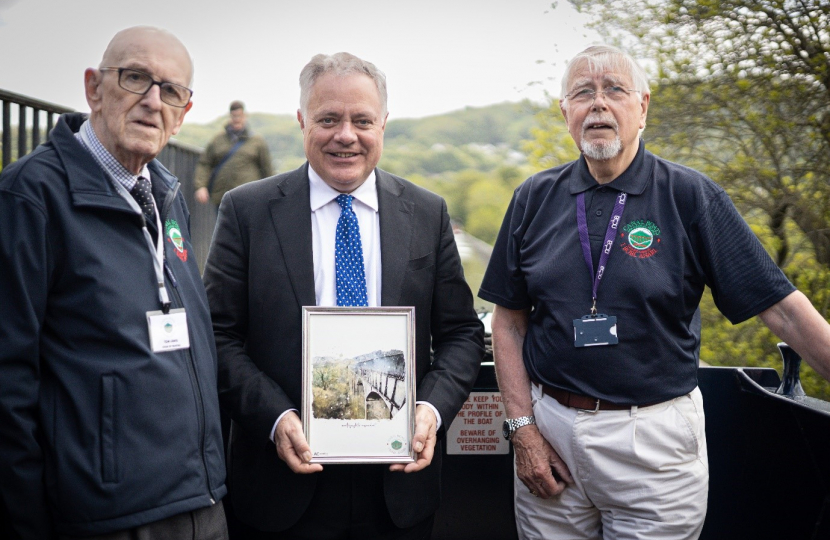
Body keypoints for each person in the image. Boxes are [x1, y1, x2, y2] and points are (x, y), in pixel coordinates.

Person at [479, 44, 830, 540]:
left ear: (642, 107)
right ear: (566, 114)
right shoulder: (534, 197)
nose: (598, 104)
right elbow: (509, 322)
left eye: (614, 90)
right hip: (550, 433)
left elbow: (783, 311)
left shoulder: (691, 195)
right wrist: (523, 432)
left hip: (653, 444)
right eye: (583, 93)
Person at [202, 52, 484, 539]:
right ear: (301, 121)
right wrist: (275, 416)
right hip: (281, 483)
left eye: (362, 120)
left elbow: (461, 333)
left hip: (399, 488)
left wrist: (429, 411)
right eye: (328, 119)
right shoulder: (246, 212)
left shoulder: (427, 212)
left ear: (384, 125)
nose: (345, 135)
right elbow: (218, 335)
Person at [0, 26, 227, 540]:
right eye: (135, 78)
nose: (152, 101)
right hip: (110, 518)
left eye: (171, 91)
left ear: (184, 113)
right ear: (93, 89)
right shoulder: (30, 199)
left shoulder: (167, 198)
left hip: (202, 502)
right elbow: (8, 389)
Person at [194, 100, 273, 207]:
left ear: (245, 116)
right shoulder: (217, 140)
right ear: (229, 116)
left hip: (249, 197)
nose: (236, 119)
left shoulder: (257, 141)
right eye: (234, 116)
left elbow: (267, 168)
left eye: (239, 116)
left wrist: (270, 192)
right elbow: (205, 163)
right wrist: (201, 186)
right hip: (222, 197)